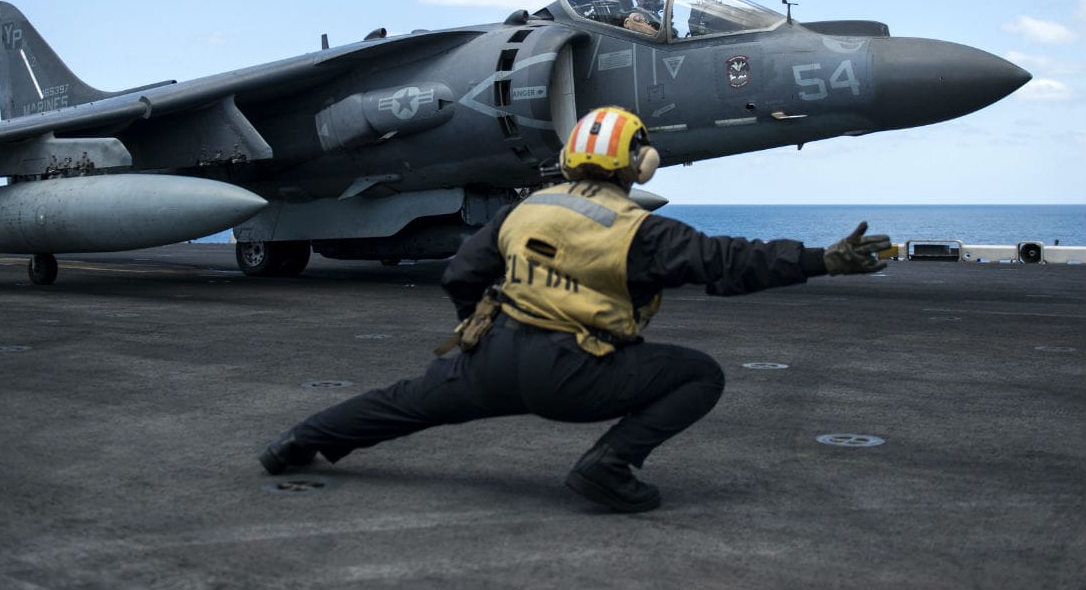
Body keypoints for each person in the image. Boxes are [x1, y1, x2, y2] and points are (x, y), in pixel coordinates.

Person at [259, 106, 890, 513]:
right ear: (641, 163)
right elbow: (729, 261)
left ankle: (297, 439)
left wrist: (473, 323)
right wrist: (821, 261)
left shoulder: (522, 209)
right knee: (700, 374)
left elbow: (462, 272)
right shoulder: (638, 228)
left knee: (403, 402)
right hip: (576, 376)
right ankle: (608, 467)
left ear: (567, 159)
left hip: (490, 358)